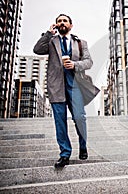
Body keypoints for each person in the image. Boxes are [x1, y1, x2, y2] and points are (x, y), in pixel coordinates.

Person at [33, 14, 92, 168]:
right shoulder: (51, 41)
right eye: (59, 21)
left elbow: (88, 62)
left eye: (65, 21)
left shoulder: (80, 43)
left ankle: (83, 145)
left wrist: (75, 65)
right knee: (60, 122)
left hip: (75, 86)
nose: (62, 23)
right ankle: (65, 153)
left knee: (79, 117)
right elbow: (37, 50)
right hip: (56, 86)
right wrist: (48, 33)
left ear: (71, 25)